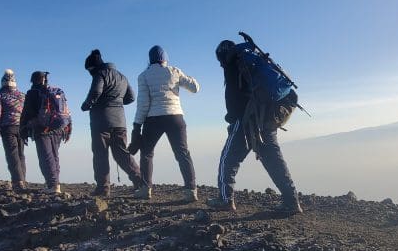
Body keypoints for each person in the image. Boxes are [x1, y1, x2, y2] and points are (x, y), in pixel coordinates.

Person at [207, 40, 302, 215]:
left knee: (228, 159)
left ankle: (225, 199)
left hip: (246, 121)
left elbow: (235, 101)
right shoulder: (252, 61)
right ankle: (292, 202)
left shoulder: (231, 64)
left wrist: (233, 119)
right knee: (273, 160)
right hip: (266, 118)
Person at [129, 45, 200, 201]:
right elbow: (195, 88)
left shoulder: (144, 76)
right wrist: (190, 78)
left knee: (147, 153)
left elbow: (143, 103)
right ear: (165, 59)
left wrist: (137, 125)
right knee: (182, 153)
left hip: (153, 118)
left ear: (150, 59)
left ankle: (145, 189)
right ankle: (191, 191)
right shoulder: (174, 71)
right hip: (175, 117)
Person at [81, 50, 147, 197]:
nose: (89, 73)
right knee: (122, 154)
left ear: (93, 67)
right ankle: (141, 182)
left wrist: (86, 105)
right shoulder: (122, 76)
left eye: (89, 70)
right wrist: (116, 102)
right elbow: (131, 97)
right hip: (119, 122)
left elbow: (95, 92)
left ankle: (103, 189)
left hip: (101, 122)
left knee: (100, 155)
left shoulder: (100, 74)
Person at [21, 71, 71, 194]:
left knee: (45, 157)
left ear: (33, 80)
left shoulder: (32, 93)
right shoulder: (56, 91)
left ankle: (53, 185)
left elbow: (27, 112)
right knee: (54, 156)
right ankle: (55, 184)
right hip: (59, 128)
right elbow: (66, 111)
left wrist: (23, 130)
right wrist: (68, 128)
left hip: (41, 129)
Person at [0, 69, 27, 190]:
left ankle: (18, 182)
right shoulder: (22, 95)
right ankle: (23, 179)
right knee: (21, 154)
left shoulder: (0, 96)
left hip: (8, 127)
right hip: (22, 127)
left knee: (12, 155)